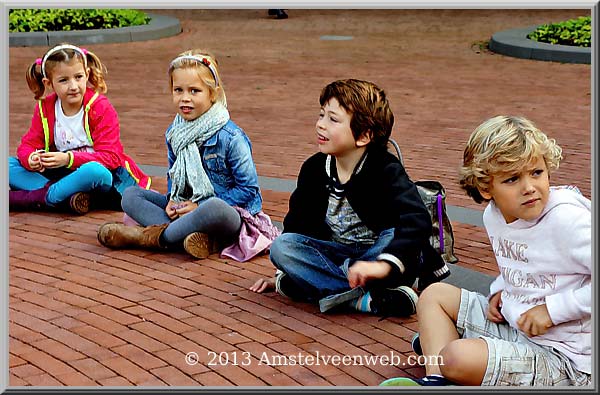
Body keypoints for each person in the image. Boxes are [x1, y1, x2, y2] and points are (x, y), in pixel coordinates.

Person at [381, 116, 591, 386]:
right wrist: (500, 289)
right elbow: (521, 263)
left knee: (455, 357)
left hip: (568, 358)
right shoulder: (494, 215)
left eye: (537, 172)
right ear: (485, 187)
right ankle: (437, 380)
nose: (529, 187)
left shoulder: (567, 220)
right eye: (513, 178)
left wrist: (552, 310)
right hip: (518, 329)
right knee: (434, 295)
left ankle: (451, 354)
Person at [250, 79, 449, 317]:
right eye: (321, 115)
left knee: (394, 233)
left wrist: (381, 265)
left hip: (380, 258)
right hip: (337, 254)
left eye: (333, 119)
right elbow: (298, 225)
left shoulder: (385, 169)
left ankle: (314, 287)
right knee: (283, 246)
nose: (320, 125)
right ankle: (363, 300)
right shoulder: (314, 168)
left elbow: (416, 219)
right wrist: (284, 273)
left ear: (364, 135)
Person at [97, 49, 279, 260]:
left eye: (194, 91)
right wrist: (172, 201)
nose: (185, 98)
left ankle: (148, 238)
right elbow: (173, 176)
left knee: (213, 207)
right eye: (178, 90)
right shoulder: (175, 133)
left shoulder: (231, 137)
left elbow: (248, 189)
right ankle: (193, 239)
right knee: (130, 195)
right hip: (186, 208)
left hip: (228, 214)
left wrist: (198, 206)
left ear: (213, 93)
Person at [9, 43, 150, 215]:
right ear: (49, 83)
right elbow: (28, 144)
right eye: (63, 80)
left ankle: (41, 198)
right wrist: (30, 158)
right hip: (61, 175)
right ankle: (66, 198)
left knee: (93, 171)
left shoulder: (100, 107)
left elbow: (112, 158)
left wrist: (68, 159)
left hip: (102, 175)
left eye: (78, 77)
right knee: (8, 165)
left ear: (87, 75)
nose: (73, 86)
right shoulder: (45, 108)